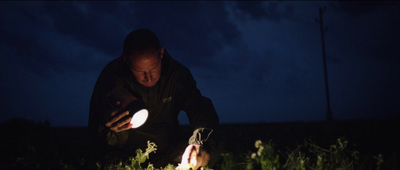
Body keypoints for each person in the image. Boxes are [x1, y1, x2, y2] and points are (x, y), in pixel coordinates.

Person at [88, 29, 220, 169]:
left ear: (161, 53)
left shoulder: (177, 76)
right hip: (125, 155)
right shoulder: (112, 78)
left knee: (203, 154)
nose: (148, 77)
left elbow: (200, 109)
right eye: (140, 71)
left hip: (168, 151)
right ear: (126, 60)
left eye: (153, 68)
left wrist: (200, 142)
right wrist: (111, 129)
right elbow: (97, 131)